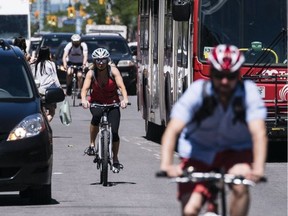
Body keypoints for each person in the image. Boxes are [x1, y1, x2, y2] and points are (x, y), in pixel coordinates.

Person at [160, 44, 268, 216]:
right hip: (198, 151)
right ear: (211, 74)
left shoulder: (248, 92)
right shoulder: (197, 92)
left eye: (230, 76)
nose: (224, 81)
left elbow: (259, 132)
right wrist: (167, 165)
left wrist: (259, 168)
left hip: (235, 151)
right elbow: (173, 129)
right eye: (219, 76)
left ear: (238, 75)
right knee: (190, 210)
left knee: (240, 188)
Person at [81, 48, 129, 173]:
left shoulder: (113, 71)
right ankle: (92, 144)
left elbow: (121, 86)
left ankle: (116, 158)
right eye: (98, 60)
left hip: (112, 103)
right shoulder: (91, 73)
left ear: (107, 60)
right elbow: (85, 89)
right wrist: (84, 100)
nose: (100, 63)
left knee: (114, 132)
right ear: (94, 61)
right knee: (96, 117)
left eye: (103, 60)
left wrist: (125, 99)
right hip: (96, 103)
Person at [32, 46, 61, 122]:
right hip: (49, 92)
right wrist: (60, 89)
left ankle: (41, 124)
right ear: (48, 54)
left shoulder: (34, 65)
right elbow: (55, 78)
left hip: (37, 91)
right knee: (51, 112)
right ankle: (45, 125)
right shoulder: (51, 64)